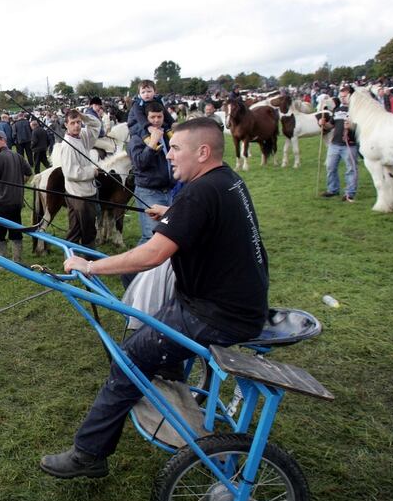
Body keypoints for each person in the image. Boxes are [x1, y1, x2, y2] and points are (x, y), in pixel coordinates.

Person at [40, 117, 269, 479]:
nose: (169, 155)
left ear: (203, 151)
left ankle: (89, 454)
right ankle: (166, 368)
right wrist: (174, 214)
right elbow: (204, 219)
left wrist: (90, 266)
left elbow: (152, 255)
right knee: (152, 332)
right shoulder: (227, 181)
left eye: (176, 148)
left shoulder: (199, 193)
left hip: (216, 314)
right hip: (231, 304)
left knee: (128, 357)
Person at [127, 101, 177, 245]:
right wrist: (151, 144)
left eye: (159, 117)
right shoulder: (137, 138)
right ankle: (136, 266)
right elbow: (139, 164)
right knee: (151, 236)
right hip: (148, 191)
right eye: (152, 117)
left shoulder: (168, 136)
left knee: (167, 233)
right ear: (146, 119)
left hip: (169, 190)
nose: (156, 121)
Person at [51, 109, 100, 249]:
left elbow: (96, 125)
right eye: (73, 123)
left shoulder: (83, 136)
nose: (77, 126)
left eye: (78, 122)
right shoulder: (67, 146)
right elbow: (71, 173)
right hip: (80, 196)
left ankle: (71, 261)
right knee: (88, 232)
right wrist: (93, 172)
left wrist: (84, 117)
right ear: (66, 125)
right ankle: (89, 262)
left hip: (84, 193)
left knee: (75, 231)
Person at [0, 130, 32, 263]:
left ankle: (2, 262)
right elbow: (29, 172)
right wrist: (19, 184)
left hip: (1, 202)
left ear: (3, 140)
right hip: (16, 202)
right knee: (15, 230)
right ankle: (17, 260)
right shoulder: (17, 155)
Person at [320, 85, 360, 203]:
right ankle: (333, 189)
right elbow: (331, 125)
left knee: (351, 169)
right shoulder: (337, 110)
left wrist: (351, 126)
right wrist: (323, 123)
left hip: (350, 144)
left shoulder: (356, 110)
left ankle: (350, 193)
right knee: (330, 167)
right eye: (341, 96)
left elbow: (362, 127)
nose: (342, 98)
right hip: (335, 144)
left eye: (345, 96)